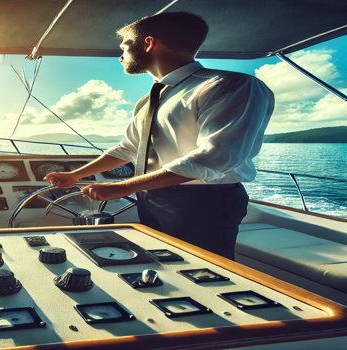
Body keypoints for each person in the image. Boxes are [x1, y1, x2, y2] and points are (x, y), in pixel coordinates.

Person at [45, 12, 274, 260]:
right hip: (152, 197)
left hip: (204, 203)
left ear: (148, 43)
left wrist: (122, 187)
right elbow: (128, 148)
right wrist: (75, 175)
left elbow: (215, 156)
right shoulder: (149, 99)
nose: (120, 56)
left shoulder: (227, 85)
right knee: (160, 264)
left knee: (205, 272)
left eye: (125, 46)